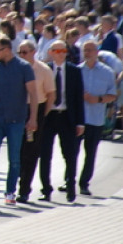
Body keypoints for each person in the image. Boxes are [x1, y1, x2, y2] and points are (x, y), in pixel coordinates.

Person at [0, 36, 37, 206]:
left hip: (17, 120)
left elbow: (33, 94)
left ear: (7, 49)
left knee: (14, 159)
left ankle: (10, 192)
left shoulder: (24, 67)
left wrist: (32, 118)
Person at [41, 39, 85, 203]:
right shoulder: (46, 70)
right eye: (56, 51)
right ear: (51, 53)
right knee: (45, 154)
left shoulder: (74, 71)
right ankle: (46, 189)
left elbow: (78, 98)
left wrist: (80, 122)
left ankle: (71, 188)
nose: (60, 54)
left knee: (70, 154)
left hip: (67, 116)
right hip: (49, 116)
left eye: (63, 51)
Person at [16, 39, 55, 203]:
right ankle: (16, 182)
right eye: (20, 53)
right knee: (16, 150)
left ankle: (24, 189)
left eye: (25, 52)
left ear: (33, 52)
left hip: (36, 110)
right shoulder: (15, 68)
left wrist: (41, 115)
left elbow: (51, 94)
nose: (22, 56)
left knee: (30, 152)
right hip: (17, 110)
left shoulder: (43, 70)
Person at [78, 40, 117, 196]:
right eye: (85, 50)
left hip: (95, 119)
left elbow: (112, 95)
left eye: (90, 50)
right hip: (79, 119)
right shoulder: (77, 70)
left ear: (96, 52)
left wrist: (99, 99)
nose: (87, 53)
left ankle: (84, 183)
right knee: (71, 152)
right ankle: (69, 180)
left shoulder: (107, 72)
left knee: (90, 153)